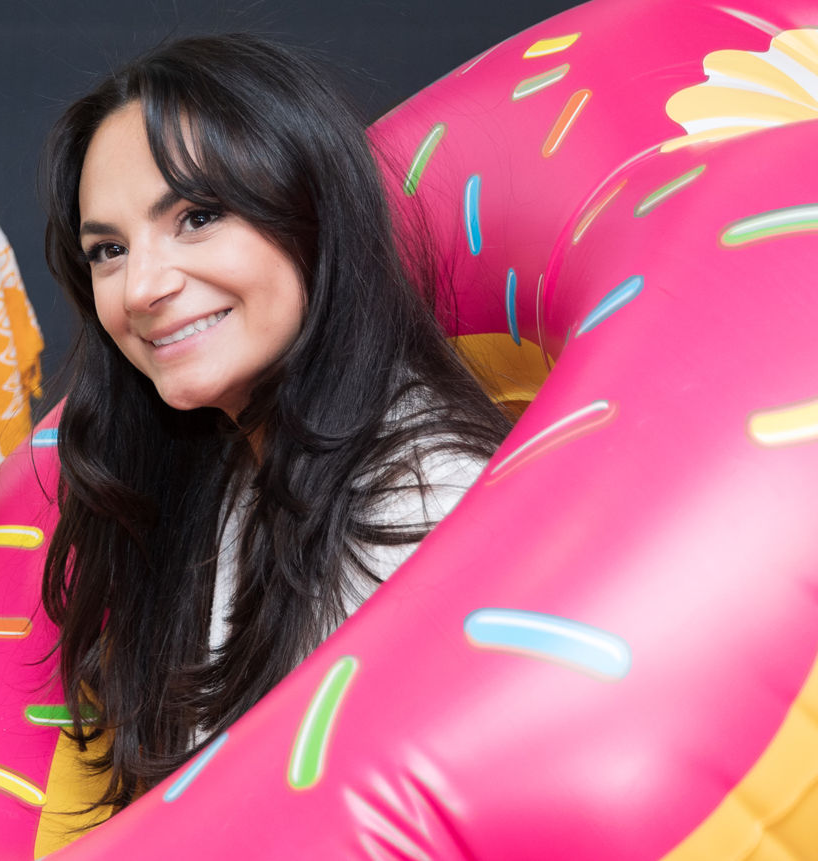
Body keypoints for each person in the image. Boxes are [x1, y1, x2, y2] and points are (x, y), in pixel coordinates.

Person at [36, 34, 513, 816]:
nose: (141, 288)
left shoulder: (424, 501)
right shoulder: (224, 470)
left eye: (197, 216)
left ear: (313, 217)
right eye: (109, 249)